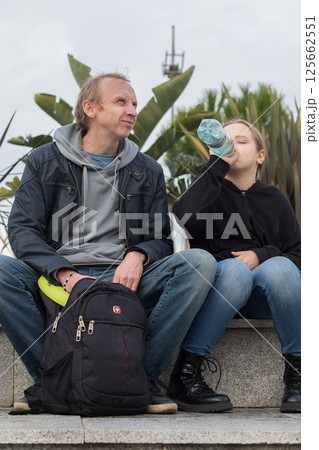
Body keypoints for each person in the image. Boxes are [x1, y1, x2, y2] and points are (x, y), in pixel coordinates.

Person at [0, 73, 232, 414]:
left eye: (135, 103)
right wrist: (64, 273)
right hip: (60, 280)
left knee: (199, 263)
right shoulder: (44, 161)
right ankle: (55, 380)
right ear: (90, 108)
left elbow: (159, 238)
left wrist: (137, 256)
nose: (132, 110)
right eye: (121, 101)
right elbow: (22, 230)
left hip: (124, 281)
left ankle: (138, 379)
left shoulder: (147, 169)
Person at [171, 119, 301, 413]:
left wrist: (262, 254)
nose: (232, 147)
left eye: (241, 141)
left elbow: (298, 257)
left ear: (260, 155)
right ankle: (186, 373)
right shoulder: (208, 191)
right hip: (218, 291)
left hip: (262, 297)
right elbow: (180, 218)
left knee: (280, 267)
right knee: (236, 270)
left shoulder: (275, 200)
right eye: (226, 141)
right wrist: (215, 167)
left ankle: (299, 377)